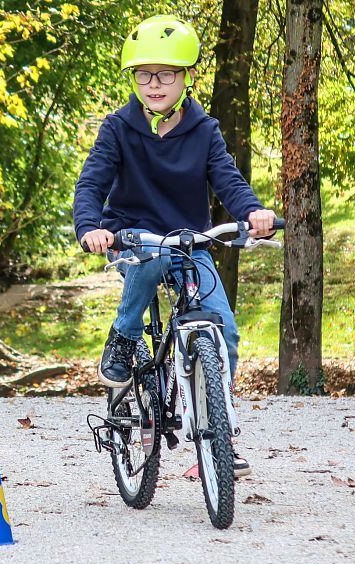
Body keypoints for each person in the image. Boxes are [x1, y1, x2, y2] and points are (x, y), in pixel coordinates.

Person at [74, 14, 277, 476]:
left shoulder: (204, 130)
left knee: (222, 329)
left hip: (189, 242)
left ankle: (219, 439)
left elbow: (228, 180)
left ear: (186, 78)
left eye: (166, 74)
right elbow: (91, 185)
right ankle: (124, 340)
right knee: (149, 261)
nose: (154, 84)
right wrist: (91, 227)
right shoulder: (117, 128)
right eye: (144, 74)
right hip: (132, 237)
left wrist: (253, 213)